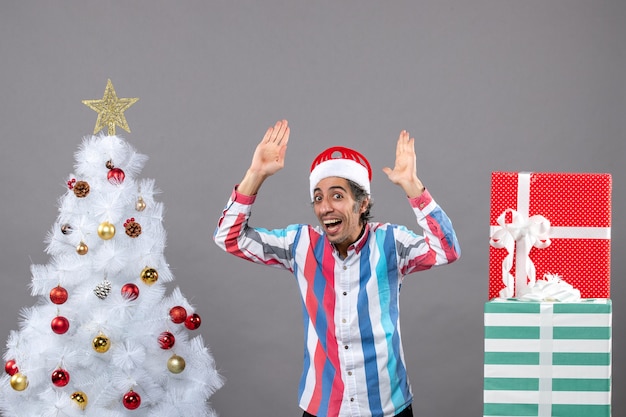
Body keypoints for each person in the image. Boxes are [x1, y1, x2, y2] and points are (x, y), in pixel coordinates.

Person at [213, 120, 460, 417]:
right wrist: (256, 175)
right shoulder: (300, 243)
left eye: (337, 195)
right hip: (323, 407)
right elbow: (229, 238)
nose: (325, 206)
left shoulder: (391, 242)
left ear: (363, 203)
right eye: (318, 197)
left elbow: (446, 251)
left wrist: (412, 187)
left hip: (387, 407)